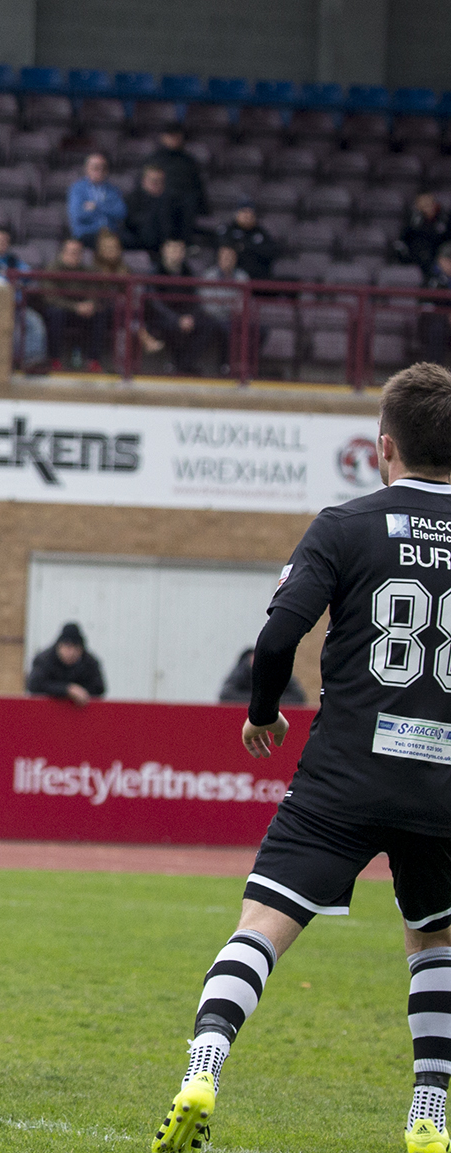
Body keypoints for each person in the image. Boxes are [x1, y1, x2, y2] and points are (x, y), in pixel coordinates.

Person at [147, 363, 451, 1153]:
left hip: (345, 772)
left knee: (262, 925)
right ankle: (429, 1115)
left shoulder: (346, 524)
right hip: (444, 784)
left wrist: (260, 712)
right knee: (436, 943)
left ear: (386, 446)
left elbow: (279, 634)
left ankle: (204, 1065)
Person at [0, 224, 49, 369]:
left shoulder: (11, 260)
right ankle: (5, 362)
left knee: (34, 323)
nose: (3, 244)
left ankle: (32, 362)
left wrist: (11, 277)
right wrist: (11, 279)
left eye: (6, 241)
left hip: (14, 307)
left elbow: (27, 274)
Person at [38, 237, 112, 370]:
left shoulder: (88, 270)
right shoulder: (52, 269)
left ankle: (93, 360)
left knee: (101, 313)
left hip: (83, 311)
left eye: (78, 252)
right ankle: (54, 359)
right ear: (62, 253)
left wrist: (91, 305)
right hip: (62, 310)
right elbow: (51, 297)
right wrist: (75, 307)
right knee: (56, 313)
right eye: (72, 252)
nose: (75, 256)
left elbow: (95, 291)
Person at [143, 238, 211, 375]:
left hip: (184, 316)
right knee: (172, 327)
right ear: (164, 251)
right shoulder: (155, 271)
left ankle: (184, 365)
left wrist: (190, 317)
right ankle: (174, 365)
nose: (176, 253)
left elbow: (196, 298)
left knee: (207, 324)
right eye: (173, 249)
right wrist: (176, 319)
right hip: (160, 317)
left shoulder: (188, 271)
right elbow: (155, 303)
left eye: (180, 250)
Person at [195, 243, 249, 375]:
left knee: (258, 330)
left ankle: (244, 366)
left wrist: (227, 310)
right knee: (215, 326)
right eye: (224, 257)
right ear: (218, 258)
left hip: (234, 318)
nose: (227, 260)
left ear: (235, 259)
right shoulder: (209, 275)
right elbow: (207, 304)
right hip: (212, 317)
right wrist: (226, 309)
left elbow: (243, 304)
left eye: (230, 257)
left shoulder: (242, 277)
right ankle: (223, 366)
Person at [26, 622, 106, 705]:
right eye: (68, 647)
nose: (72, 653)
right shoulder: (43, 659)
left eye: (76, 648)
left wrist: (81, 691)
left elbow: (99, 688)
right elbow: (34, 685)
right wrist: (66, 689)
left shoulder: (90, 662)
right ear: (59, 646)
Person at [124, 165, 193, 258]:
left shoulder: (174, 203)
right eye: (152, 180)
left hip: (168, 251)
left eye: (159, 181)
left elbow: (181, 229)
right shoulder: (132, 200)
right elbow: (127, 226)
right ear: (143, 180)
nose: (155, 184)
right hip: (138, 249)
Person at [144, 123, 208, 221]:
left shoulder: (188, 161)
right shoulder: (153, 159)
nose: (173, 139)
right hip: (158, 202)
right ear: (163, 137)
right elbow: (144, 185)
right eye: (170, 135)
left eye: (176, 136)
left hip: (183, 204)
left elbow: (197, 185)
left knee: (190, 203)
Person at [66, 153, 127, 247]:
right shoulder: (77, 189)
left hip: (110, 233)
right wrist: (108, 208)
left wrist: (96, 207)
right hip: (87, 233)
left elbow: (121, 213)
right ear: (86, 169)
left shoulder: (113, 190)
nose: (100, 171)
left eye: (103, 168)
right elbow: (78, 215)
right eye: (95, 168)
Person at [214, 200, 281, 282]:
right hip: (234, 277)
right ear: (237, 213)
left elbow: (271, 252)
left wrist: (245, 247)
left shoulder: (261, 233)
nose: (247, 215)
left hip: (258, 278)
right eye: (244, 212)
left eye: (250, 212)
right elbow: (224, 248)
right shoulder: (228, 230)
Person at [216, 647, 305, 706]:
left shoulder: (280, 672)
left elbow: (298, 697)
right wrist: (260, 701)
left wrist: (267, 702)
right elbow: (226, 695)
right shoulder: (242, 672)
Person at [400, 193, 450, 275]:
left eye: (431, 205)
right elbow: (405, 239)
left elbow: (446, 241)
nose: (429, 208)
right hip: (416, 259)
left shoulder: (444, 220)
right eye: (425, 206)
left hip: (438, 258)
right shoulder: (413, 222)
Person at [421, 245, 451, 367]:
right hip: (431, 320)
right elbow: (430, 301)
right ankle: (435, 369)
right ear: (440, 260)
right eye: (448, 260)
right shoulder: (431, 275)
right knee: (436, 328)